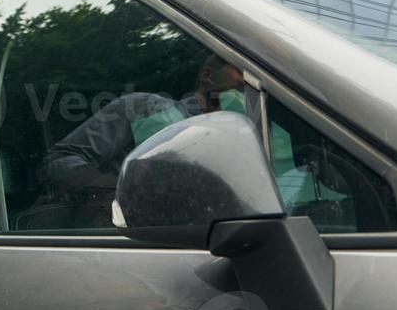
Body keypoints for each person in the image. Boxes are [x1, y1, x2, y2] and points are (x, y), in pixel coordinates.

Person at [37, 56, 246, 226]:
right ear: (207, 76)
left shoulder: (245, 143)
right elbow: (59, 161)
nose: (247, 90)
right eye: (241, 79)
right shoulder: (147, 108)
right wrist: (117, 192)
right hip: (115, 245)